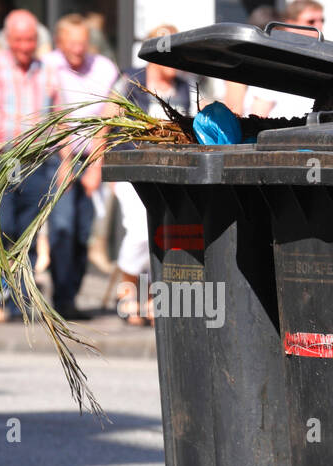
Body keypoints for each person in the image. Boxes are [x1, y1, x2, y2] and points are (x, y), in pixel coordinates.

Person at [0, 9, 58, 323]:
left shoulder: (46, 71)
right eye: (18, 39)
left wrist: (66, 161)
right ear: (7, 39)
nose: (24, 45)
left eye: (30, 39)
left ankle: (19, 298)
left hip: (35, 162)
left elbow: (59, 121)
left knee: (26, 234)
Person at [113, 24, 196, 326]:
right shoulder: (131, 81)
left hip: (169, 172)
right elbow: (106, 119)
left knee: (159, 234)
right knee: (138, 231)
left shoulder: (186, 87)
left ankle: (147, 297)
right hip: (131, 168)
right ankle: (125, 292)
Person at [44, 13, 120, 321]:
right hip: (58, 156)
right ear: (59, 42)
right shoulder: (48, 66)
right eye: (71, 44)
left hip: (91, 154)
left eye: (82, 43)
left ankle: (71, 295)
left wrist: (95, 164)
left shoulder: (104, 68)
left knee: (82, 232)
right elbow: (54, 112)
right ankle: (61, 298)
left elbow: (108, 116)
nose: (77, 50)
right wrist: (64, 161)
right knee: (62, 227)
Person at [248, 1, 323, 117]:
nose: (319, 26)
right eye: (311, 21)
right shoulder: (277, 61)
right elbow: (258, 114)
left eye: (322, 20)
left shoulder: (321, 60)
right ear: (291, 24)